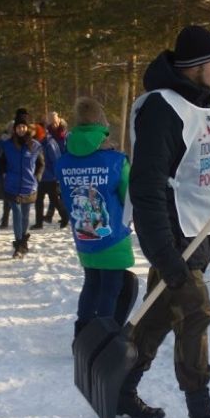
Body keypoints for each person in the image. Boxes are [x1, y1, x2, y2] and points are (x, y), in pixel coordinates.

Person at [123, 25, 210, 418]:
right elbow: (146, 186)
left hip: (199, 229)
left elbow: (203, 169)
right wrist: (162, 250)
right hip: (175, 236)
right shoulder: (162, 108)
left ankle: (123, 386)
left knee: (159, 313)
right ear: (196, 66)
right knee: (194, 316)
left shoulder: (201, 105)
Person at [56, 97, 134, 339]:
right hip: (112, 234)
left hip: (83, 232)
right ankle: (104, 338)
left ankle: (82, 334)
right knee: (111, 288)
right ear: (101, 122)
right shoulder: (115, 160)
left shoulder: (63, 161)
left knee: (91, 284)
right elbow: (129, 194)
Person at [0, 109, 44, 258]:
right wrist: (4, 174)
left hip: (29, 186)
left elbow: (41, 163)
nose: (21, 129)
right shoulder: (8, 145)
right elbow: (1, 161)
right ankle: (18, 243)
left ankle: (23, 240)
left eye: (23, 127)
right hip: (12, 185)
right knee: (16, 213)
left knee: (25, 216)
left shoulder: (35, 145)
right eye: (18, 127)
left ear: (27, 128)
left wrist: (37, 177)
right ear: (14, 129)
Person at [34, 126, 69, 229]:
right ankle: (38, 222)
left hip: (51, 177)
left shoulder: (49, 144)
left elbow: (55, 161)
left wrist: (57, 176)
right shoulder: (40, 144)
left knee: (54, 200)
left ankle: (65, 217)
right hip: (41, 177)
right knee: (38, 200)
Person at [44, 111, 68, 223]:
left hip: (64, 164)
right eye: (51, 122)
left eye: (55, 122)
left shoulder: (65, 134)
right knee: (53, 192)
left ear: (59, 120)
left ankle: (65, 213)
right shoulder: (47, 134)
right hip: (51, 166)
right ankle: (50, 214)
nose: (54, 125)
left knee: (62, 193)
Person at [0, 121, 13, 229]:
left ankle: (18, 218)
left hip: (17, 172)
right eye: (10, 127)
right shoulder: (2, 141)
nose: (12, 129)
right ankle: (5, 219)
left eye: (14, 127)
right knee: (7, 197)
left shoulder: (20, 141)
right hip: (5, 172)